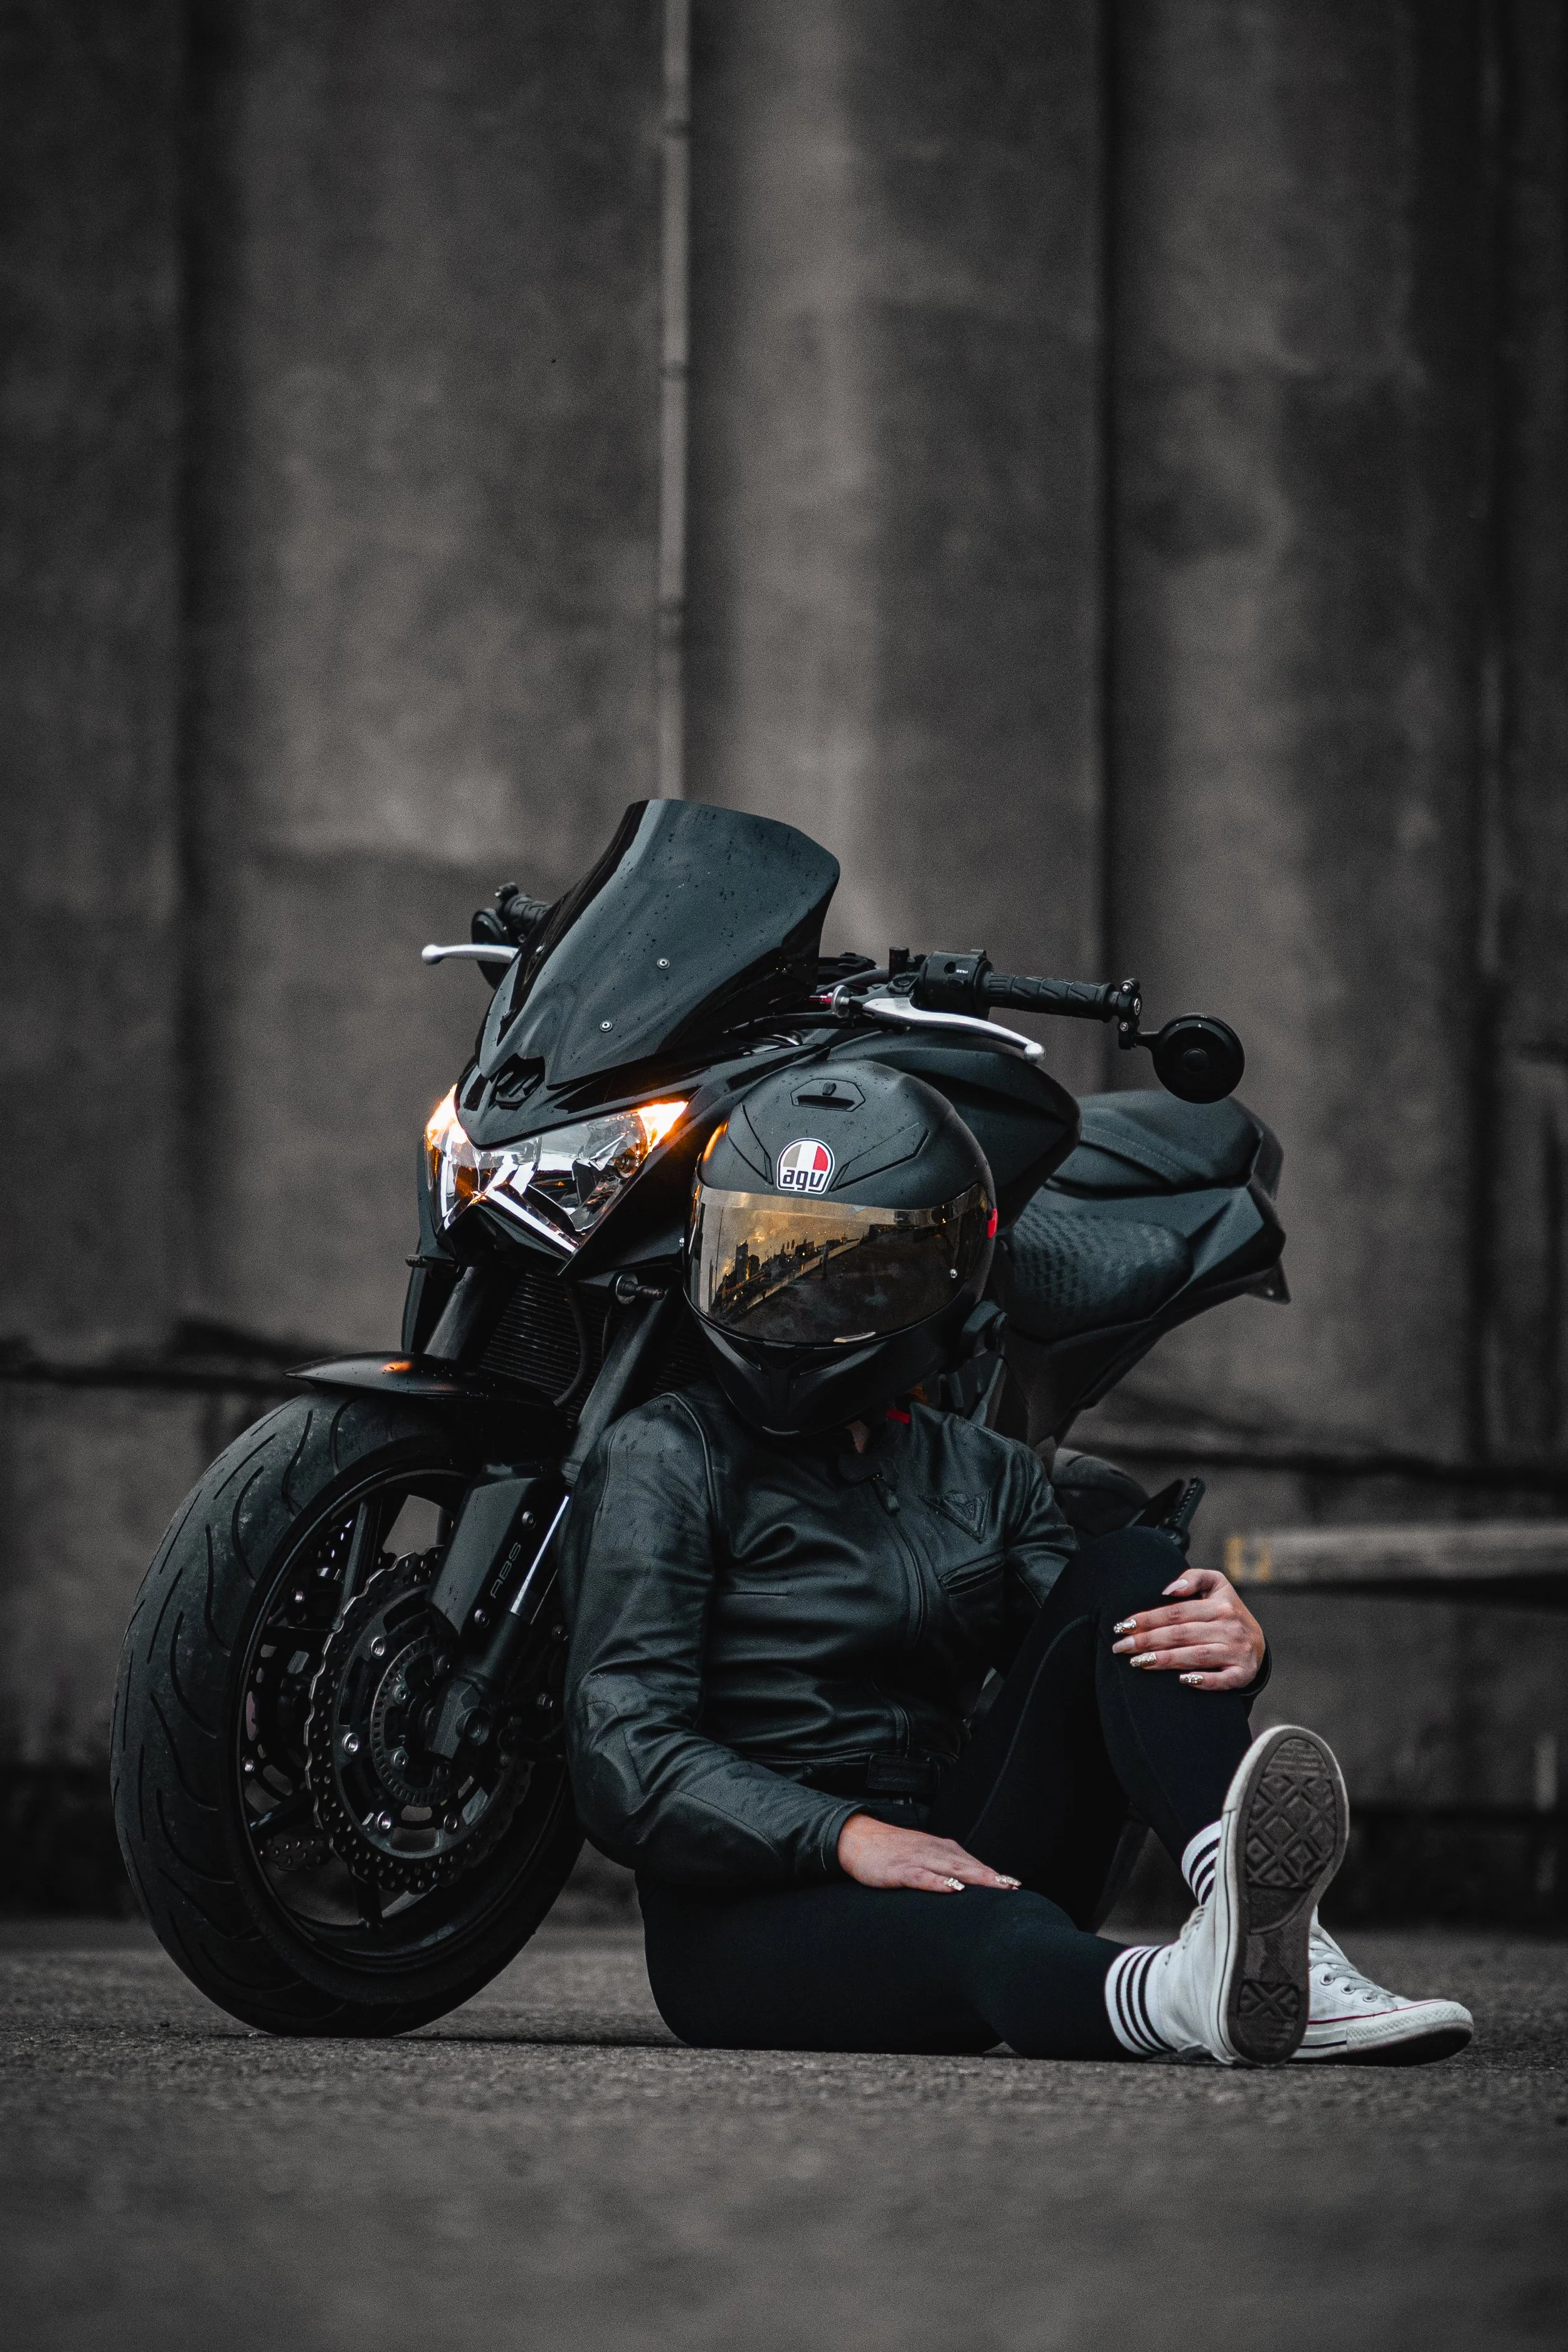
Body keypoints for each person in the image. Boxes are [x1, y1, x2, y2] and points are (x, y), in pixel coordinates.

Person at [558, 1061, 1472, 2066]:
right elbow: (624, 1749)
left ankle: (1270, 1936)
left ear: (937, 1278)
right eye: (760, 1253)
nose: (791, 1303)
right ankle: (1203, 1992)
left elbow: (1102, 1663)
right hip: (749, 1907)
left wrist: (1231, 1641)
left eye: (840, 1270)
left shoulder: (987, 1472)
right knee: (999, 1939)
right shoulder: (666, 1451)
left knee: (1133, 1570)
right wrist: (846, 1834)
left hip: (956, 1844)